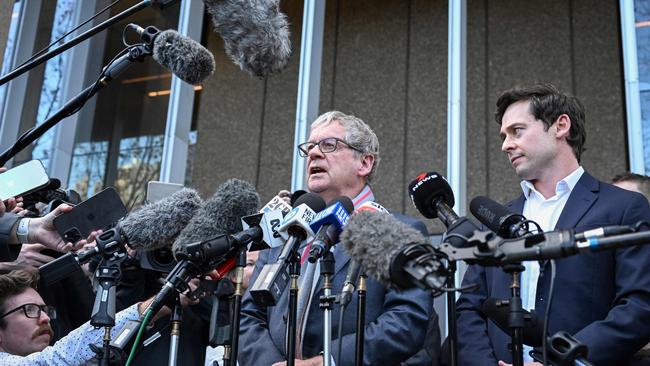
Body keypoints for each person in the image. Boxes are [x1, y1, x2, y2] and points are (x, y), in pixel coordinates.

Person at [455, 83, 650, 365]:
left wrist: (561, 360)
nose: (505, 145)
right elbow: (469, 308)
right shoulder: (496, 221)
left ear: (560, 126)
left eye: (517, 131)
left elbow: (639, 306)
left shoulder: (623, 207)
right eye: (504, 135)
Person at [238, 111, 436, 366]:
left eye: (328, 145)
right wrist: (270, 364)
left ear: (364, 163)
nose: (313, 153)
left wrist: (326, 361)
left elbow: (406, 320)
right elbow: (249, 315)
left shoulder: (400, 232)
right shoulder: (285, 235)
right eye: (309, 147)